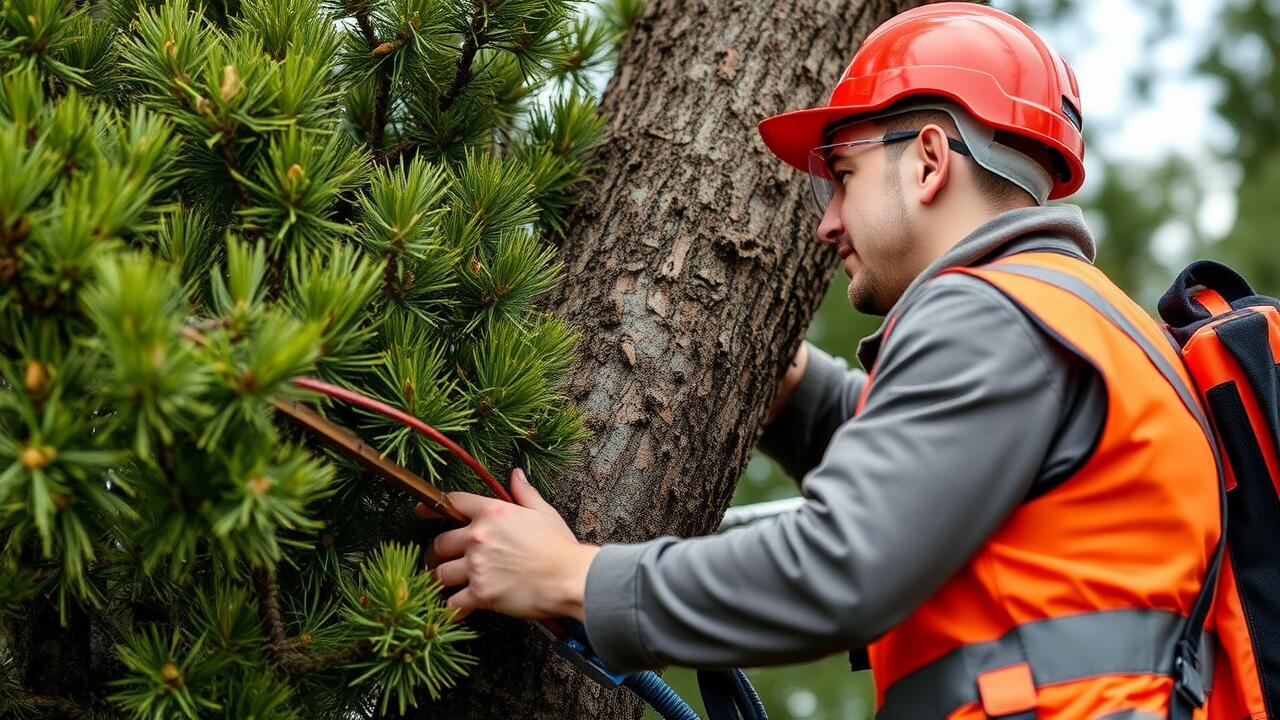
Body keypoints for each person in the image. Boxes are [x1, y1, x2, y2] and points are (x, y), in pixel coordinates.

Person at [426, 4, 1222, 717]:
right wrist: (797, 393)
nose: (826, 222)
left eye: (841, 176)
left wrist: (569, 576)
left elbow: (841, 564)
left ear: (930, 160)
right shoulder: (1081, 321)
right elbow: (932, 470)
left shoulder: (987, 311)